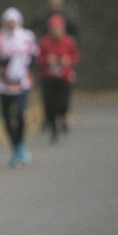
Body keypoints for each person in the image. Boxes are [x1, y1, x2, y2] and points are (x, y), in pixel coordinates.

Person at [0, 7, 39, 167]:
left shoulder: (27, 36)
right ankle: (15, 147)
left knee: (20, 114)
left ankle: (20, 144)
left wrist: (23, 64)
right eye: (8, 21)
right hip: (3, 85)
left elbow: (35, 56)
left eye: (14, 21)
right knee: (6, 117)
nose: (11, 24)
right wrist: (2, 62)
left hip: (22, 84)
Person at [37, 13, 80, 141]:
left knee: (63, 103)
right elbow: (38, 58)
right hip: (48, 78)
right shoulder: (44, 41)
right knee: (50, 104)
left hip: (64, 77)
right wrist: (47, 60)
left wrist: (68, 60)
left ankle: (63, 117)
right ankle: (53, 127)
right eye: (53, 27)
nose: (56, 30)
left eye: (58, 28)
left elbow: (75, 56)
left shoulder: (68, 41)